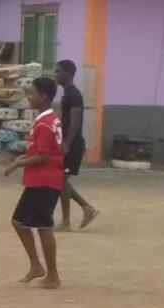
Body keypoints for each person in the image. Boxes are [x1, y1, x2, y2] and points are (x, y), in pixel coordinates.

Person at [3, 77, 63, 290]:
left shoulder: (44, 124)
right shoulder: (50, 119)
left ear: (43, 96)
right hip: (44, 179)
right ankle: (37, 266)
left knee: (41, 226)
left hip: (43, 181)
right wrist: (25, 158)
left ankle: (52, 276)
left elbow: (43, 156)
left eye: (32, 93)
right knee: (23, 222)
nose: (29, 97)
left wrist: (17, 163)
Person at [54, 60, 99, 231]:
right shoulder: (67, 94)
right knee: (61, 180)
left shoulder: (74, 95)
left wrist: (67, 143)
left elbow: (75, 122)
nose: (55, 75)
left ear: (68, 73)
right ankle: (87, 208)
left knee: (61, 180)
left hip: (73, 145)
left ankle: (66, 221)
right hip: (68, 142)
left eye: (58, 72)